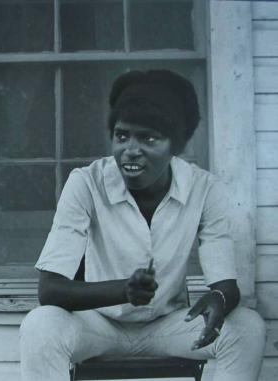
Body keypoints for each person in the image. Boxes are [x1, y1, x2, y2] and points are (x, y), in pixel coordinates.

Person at [20, 70, 266, 381]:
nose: (130, 150)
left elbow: (226, 287)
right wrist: (124, 290)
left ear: (177, 144)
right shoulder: (86, 183)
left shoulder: (204, 188)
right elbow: (50, 289)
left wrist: (218, 300)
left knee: (247, 327)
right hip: (98, 326)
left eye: (149, 138)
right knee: (40, 326)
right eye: (122, 136)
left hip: (169, 325)